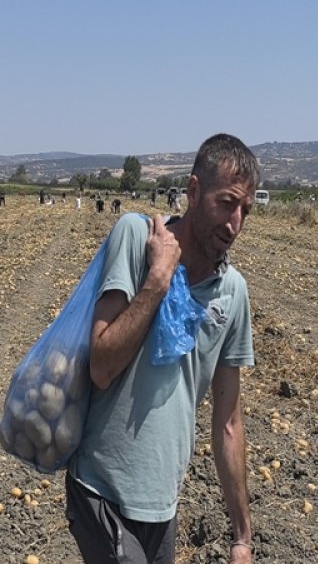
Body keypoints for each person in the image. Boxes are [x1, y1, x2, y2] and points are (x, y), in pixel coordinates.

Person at [67, 133, 259, 564]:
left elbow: (229, 422)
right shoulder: (136, 237)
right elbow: (101, 365)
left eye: (245, 210)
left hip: (162, 504)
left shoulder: (232, 292)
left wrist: (242, 537)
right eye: (226, 203)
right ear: (193, 191)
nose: (235, 224)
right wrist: (157, 280)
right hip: (101, 489)